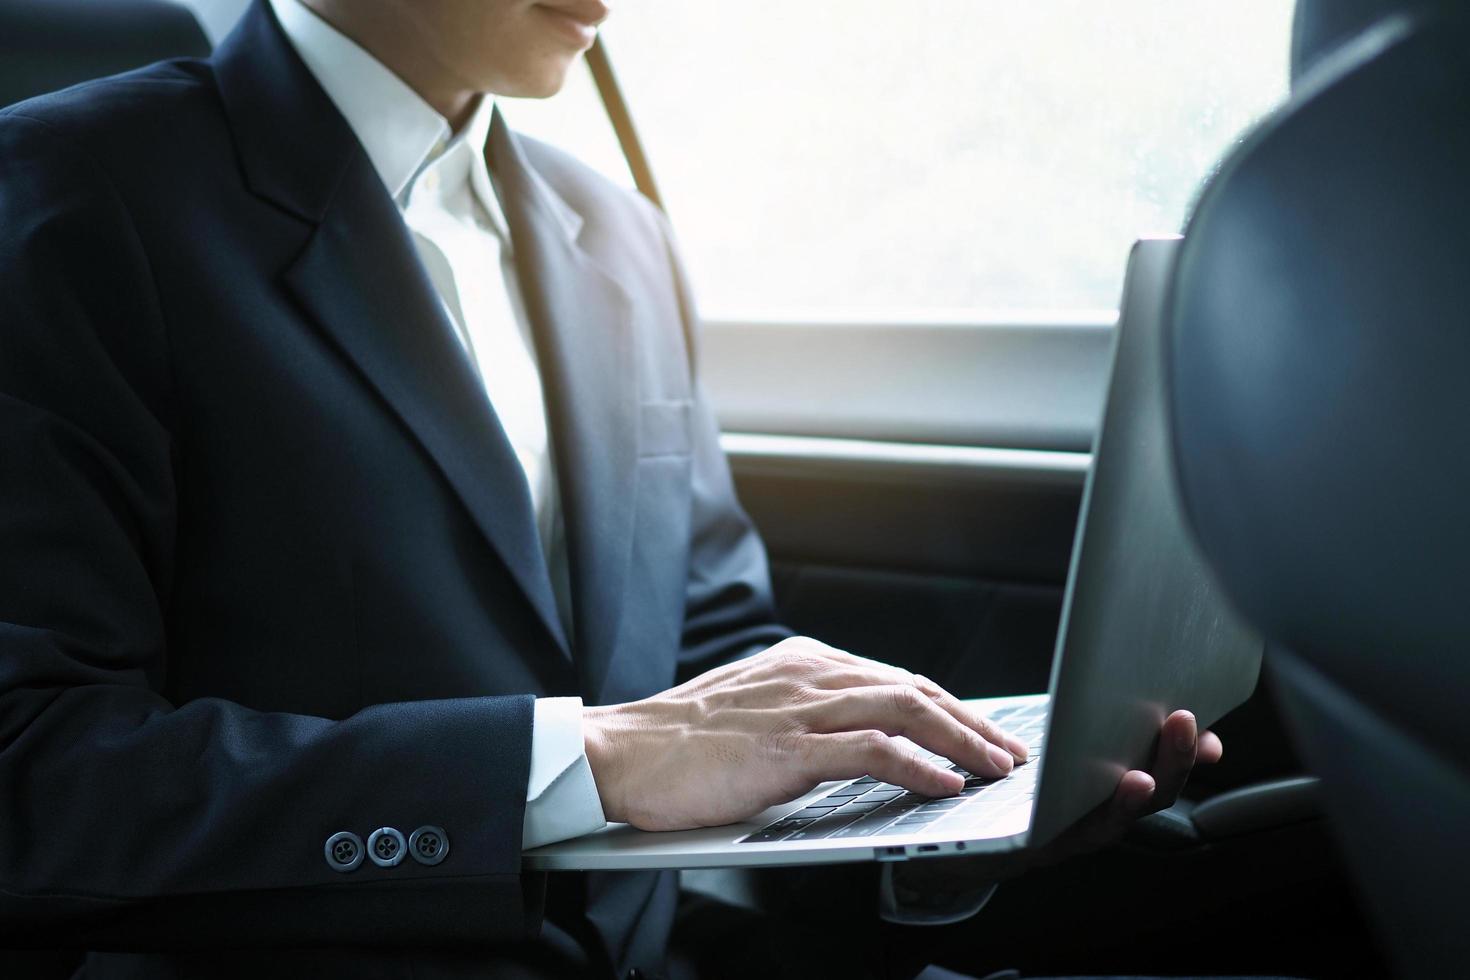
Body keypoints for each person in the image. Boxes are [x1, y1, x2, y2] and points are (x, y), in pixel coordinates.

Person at [0, 1, 1221, 977]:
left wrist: (923, 814)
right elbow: (35, 776)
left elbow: (708, 644)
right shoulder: (69, 195)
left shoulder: (614, 233)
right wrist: (578, 754)